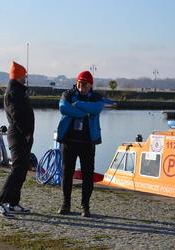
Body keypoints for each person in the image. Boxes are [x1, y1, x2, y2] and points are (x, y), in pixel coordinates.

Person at [56, 70, 106, 217]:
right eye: (79, 83)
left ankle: (85, 206)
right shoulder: (68, 94)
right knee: (67, 173)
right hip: (69, 141)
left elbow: (97, 108)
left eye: (85, 84)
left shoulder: (96, 97)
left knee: (88, 175)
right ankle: (66, 204)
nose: (81, 86)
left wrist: (77, 105)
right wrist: (85, 113)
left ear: (90, 85)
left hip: (87, 142)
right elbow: (63, 108)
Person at [0, 61, 34, 219]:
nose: (25, 78)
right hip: (18, 135)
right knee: (17, 169)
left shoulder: (18, 90)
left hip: (23, 135)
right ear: (18, 76)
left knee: (22, 169)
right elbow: (16, 115)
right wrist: (25, 133)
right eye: (24, 75)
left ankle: (13, 202)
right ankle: (1, 202)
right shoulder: (13, 92)